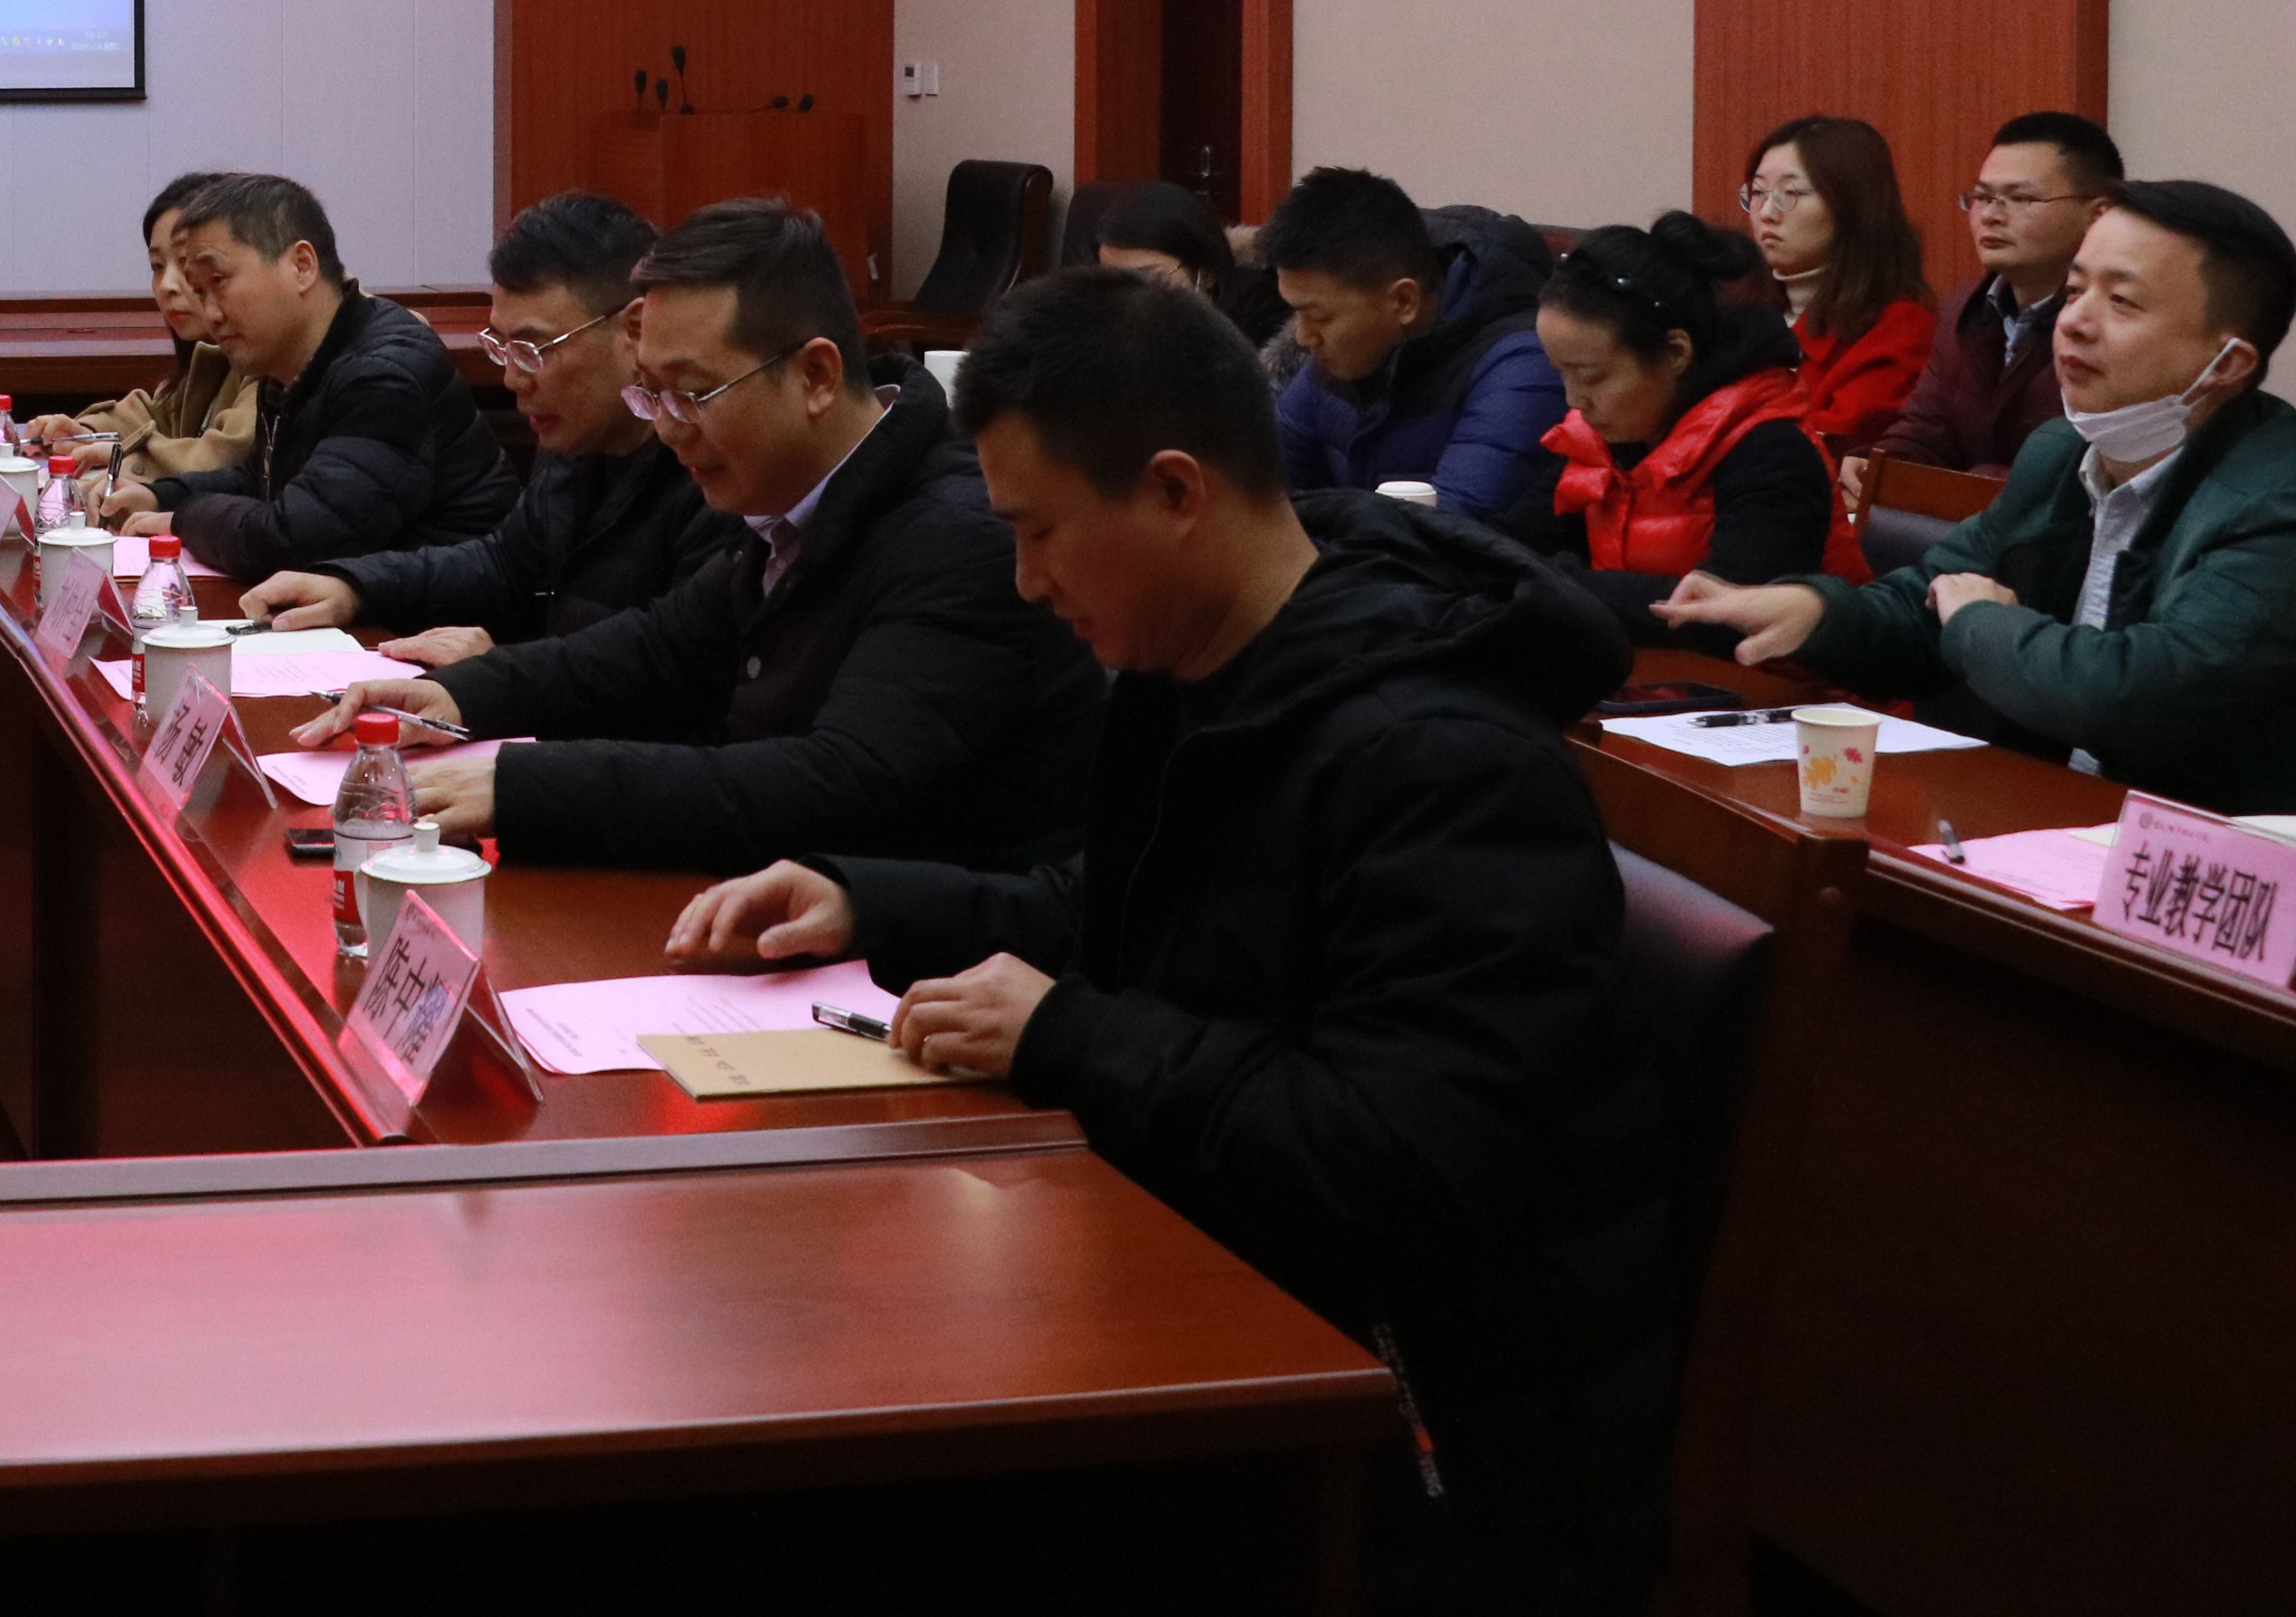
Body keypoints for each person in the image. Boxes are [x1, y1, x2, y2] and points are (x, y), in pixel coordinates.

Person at [670, 266, 1669, 1612]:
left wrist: (1070, 1036)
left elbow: (1403, 1154)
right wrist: (874, 904)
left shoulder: (1444, 762)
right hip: (1227, 1277)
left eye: (1040, 533)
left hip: (1407, 1424)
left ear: (1178, 492)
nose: (1026, 582)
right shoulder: (1205, 658)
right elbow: (1131, 909)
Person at [289, 197, 1100, 875]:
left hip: (930, 963)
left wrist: (526, 782)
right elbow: (654, 650)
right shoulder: (790, 503)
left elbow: (839, 782)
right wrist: (460, 697)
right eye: (652, 395)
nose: (670, 430)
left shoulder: (956, 536)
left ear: (817, 376)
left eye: (693, 394)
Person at [1667, 180, 2296, 812]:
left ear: (2227, 364)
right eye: (2075, 290)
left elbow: (2136, 696)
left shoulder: (2276, 495)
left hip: (2205, 850)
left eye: (2123, 302)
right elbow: (1930, 603)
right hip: (2045, 818)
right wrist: (1817, 612)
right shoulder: (2060, 454)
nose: (2074, 322)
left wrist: (1981, 624)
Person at [234, 191, 715, 661]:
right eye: (503, 347)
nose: (512, 378)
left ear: (634, 329)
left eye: (534, 350)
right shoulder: (575, 442)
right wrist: (355, 587)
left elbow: (671, 675)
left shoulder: (710, 471)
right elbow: (504, 566)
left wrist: (510, 671)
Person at [107, 173, 513, 573]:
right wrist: (159, 497)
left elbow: (293, 540)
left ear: (302, 266)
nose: (210, 314)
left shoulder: (384, 376)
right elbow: (260, 481)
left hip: (452, 609)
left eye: (219, 281)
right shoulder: (292, 359)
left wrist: (184, 519)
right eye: (200, 292)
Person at [1496, 214, 1829, 642]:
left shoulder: (1771, 451)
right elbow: (1508, 544)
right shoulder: (1604, 436)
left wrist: (1545, 580)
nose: (1574, 400)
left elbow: (1725, 616)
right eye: (1561, 373)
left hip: (1776, 680)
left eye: (1592, 377)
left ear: (1675, 353)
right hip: (1646, 670)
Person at [1257, 168, 1563, 518]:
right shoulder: (1345, 354)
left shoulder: (1522, 368)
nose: (1302, 337)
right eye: (1296, 312)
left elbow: (1447, 536)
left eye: (1319, 316)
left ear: (1403, 301)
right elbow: (1264, 499)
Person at [1865, 110, 2123, 487]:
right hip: (1973, 516)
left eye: (2019, 198)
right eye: (1982, 197)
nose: (1990, 216)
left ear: (2097, 215)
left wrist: (1977, 483)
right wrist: (1878, 467)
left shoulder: (2118, 323)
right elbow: (1924, 433)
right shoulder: (1963, 308)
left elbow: (2092, 468)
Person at [31, 171, 263, 487]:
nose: (167, 285)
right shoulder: (207, 353)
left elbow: (223, 458)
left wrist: (125, 456)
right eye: (157, 266)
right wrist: (86, 434)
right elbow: (157, 415)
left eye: (186, 264)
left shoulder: (267, 354)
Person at [1742, 114, 1938, 465]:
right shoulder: (1738, 307)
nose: (1766, 213)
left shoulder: (1900, 327)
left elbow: (1830, 444)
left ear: (1852, 205)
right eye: (1758, 192)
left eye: (1791, 193)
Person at [1090, 179, 1290, 346]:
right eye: (1110, 281)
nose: (1127, 296)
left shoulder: (1264, 320)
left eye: (1147, 276)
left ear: (1207, 273)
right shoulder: (1099, 331)